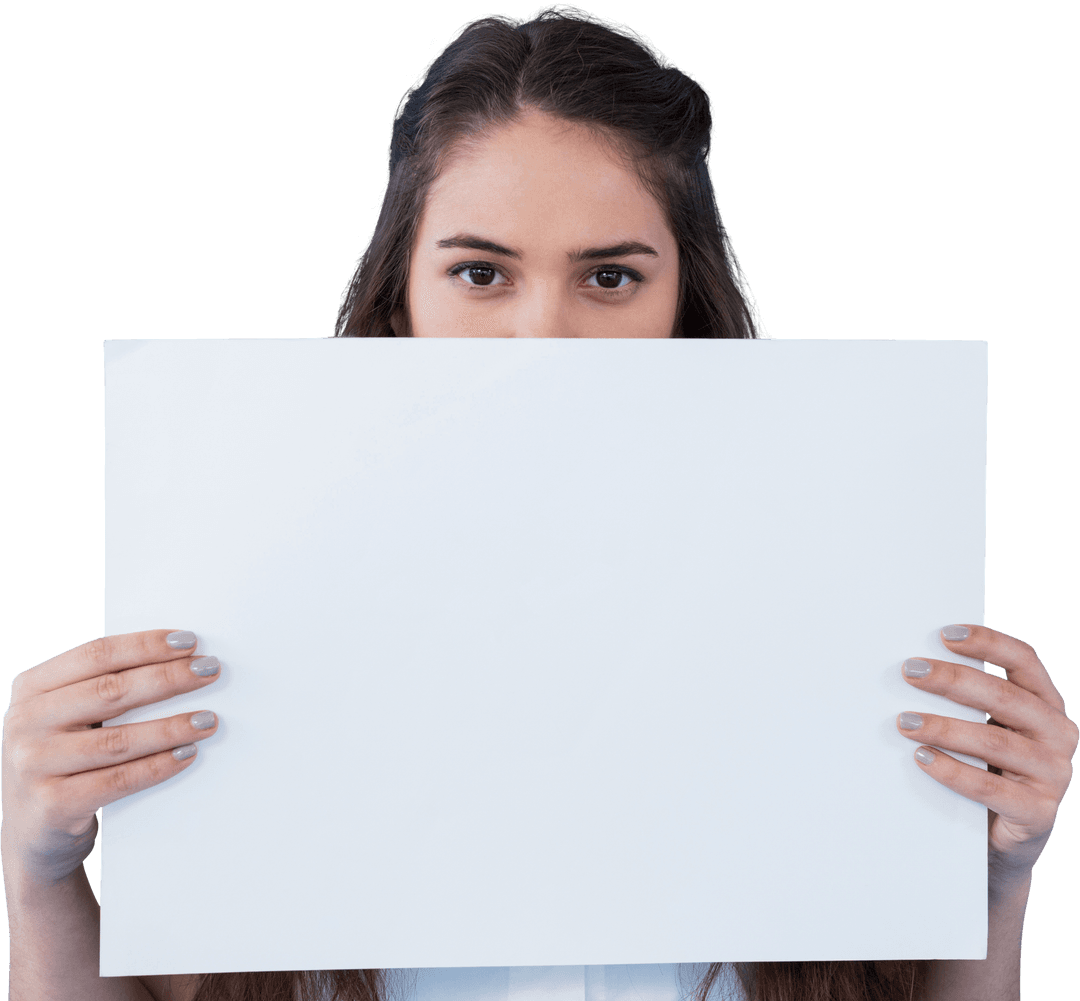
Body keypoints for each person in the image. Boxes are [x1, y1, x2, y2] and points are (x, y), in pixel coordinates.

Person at [2, 5, 1075, 1001]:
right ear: (401, 299)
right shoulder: (238, 604)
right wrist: (43, 877)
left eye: (609, 278)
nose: (542, 341)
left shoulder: (832, 611)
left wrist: (990, 879)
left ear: (685, 306)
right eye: (481, 274)